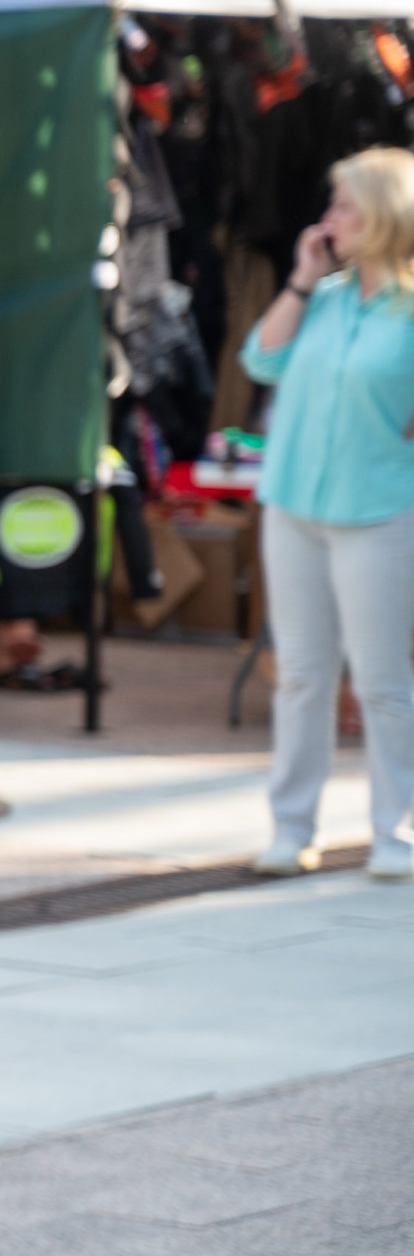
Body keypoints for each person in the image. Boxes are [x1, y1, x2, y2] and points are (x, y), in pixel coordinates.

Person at [239, 146, 414, 881]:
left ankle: (395, 832)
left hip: (375, 509)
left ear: (382, 214)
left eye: (343, 205)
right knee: (302, 674)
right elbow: (259, 360)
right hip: (294, 506)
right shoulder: (324, 298)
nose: (329, 218)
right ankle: (291, 827)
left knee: (380, 679)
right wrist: (302, 280)